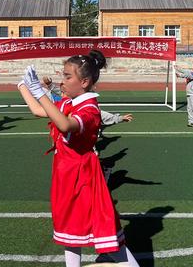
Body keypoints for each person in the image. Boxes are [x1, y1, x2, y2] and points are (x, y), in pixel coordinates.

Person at [18, 51, 139, 267]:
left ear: (84, 82)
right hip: (67, 175)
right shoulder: (69, 103)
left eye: (67, 77)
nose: (61, 81)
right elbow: (38, 110)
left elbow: (64, 125)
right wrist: (23, 86)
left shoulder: (89, 109)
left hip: (84, 179)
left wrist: (40, 91)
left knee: (107, 236)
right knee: (70, 234)